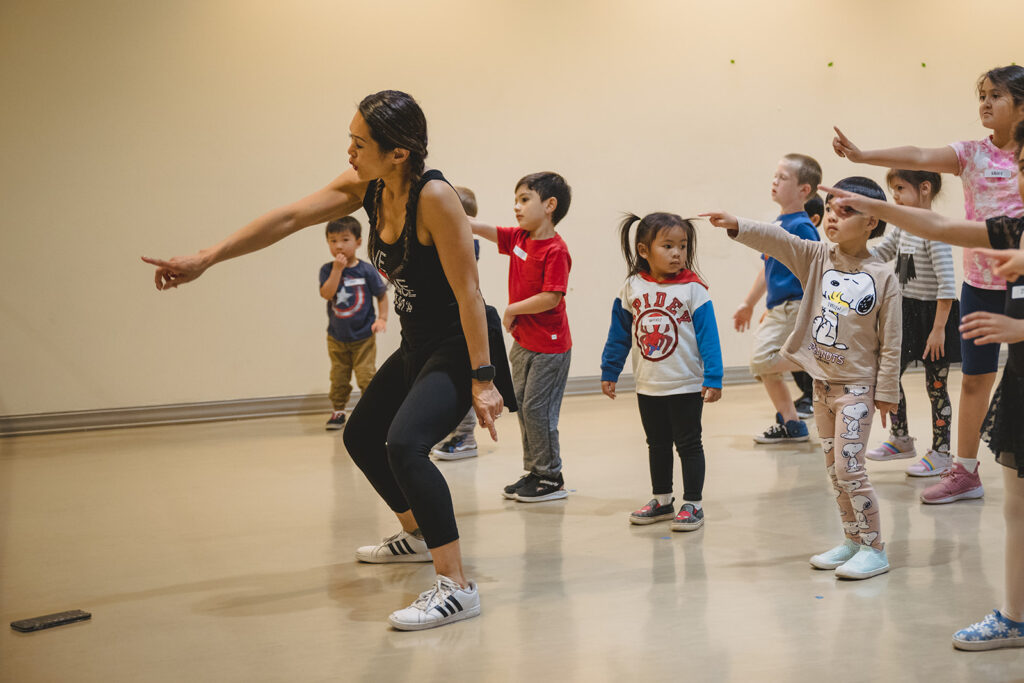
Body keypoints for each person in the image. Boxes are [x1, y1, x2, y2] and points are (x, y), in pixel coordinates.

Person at [142, 90, 514, 631]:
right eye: (350, 139)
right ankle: (416, 534)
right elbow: (289, 216)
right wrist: (207, 257)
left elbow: (470, 294)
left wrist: (482, 379)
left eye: (359, 143)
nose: (349, 152)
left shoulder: (436, 198)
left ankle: (457, 586)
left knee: (405, 445)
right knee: (362, 436)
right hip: (418, 343)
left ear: (399, 153)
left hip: (459, 344)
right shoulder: (369, 187)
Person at [822, 140, 1024, 645]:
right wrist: (871, 206)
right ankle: (1014, 617)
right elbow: (938, 226)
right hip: (1021, 383)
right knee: (1016, 506)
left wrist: (1018, 330)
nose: (1014, 180)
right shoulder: (1012, 229)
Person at [833, 65, 1024, 504]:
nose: (985, 103)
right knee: (975, 379)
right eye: (982, 95)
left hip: (1021, 281)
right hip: (981, 284)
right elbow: (918, 155)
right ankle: (966, 471)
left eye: (996, 96)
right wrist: (862, 157)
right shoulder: (971, 153)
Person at [702, 176, 901, 580]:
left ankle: (875, 549)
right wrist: (736, 223)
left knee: (851, 470)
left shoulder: (883, 277)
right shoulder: (816, 256)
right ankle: (852, 541)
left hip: (857, 389)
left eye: (847, 212)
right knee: (833, 471)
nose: (832, 217)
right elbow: (777, 239)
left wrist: (887, 394)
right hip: (822, 386)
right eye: (830, 209)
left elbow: (892, 342)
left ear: (872, 222)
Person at [600, 212, 722, 531]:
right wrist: (610, 370)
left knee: (689, 444)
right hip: (648, 384)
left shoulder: (694, 290)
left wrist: (714, 377)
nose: (677, 253)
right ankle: (663, 500)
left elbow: (710, 337)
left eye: (682, 246)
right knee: (656, 443)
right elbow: (619, 333)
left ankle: (692, 503)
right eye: (667, 246)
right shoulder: (632, 287)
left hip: (685, 384)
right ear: (644, 250)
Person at [470, 172, 574, 502]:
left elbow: (551, 296)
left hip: (550, 348)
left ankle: (550, 475)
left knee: (538, 410)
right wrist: (463, 220)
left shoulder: (555, 250)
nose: (516, 207)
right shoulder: (519, 239)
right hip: (524, 344)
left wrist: (512, 309)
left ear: (549, 205)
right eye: (515, 200)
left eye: (524, 199)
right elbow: (490, 231)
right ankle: (535, 470)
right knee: (527, 409)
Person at [863, 170, 962, 488]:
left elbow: (947, 285)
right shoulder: (904, 225)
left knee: (936, 386)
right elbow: (882, 253)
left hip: (935, 316)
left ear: (924, 189)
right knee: (886, 373)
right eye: (893, 190)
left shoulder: (935, 231)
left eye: (900, 189)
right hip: (906, 311)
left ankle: (942, 452)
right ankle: (901, 437)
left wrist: (938, 330)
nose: (895, 197)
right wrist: (853, 251)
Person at [733, 154, 821, 444]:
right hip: (779, 308)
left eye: (783, 177)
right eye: (775, 175)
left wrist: (811, 310)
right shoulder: (778, 223)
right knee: (766, 369)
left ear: (803, 190)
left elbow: (815, 269)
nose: (775, 181)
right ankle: (792, 425)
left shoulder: (802, 225)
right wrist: (749, 303)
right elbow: (766, 268)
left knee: (761, 361)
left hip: (795, 307)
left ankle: (825, 364)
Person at [319, 216, 388, 430]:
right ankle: (338, 411)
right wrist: (337, 271)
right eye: (333, 240)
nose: (339, 245)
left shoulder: (366, 270)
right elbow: (326, 293)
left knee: (367, 375)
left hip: (364, 336)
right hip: (337, 337)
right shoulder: (327, 270)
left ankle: (371, 413)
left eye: (345, 239)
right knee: (338, 377)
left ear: (358, 242)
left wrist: (382, 318)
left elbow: (382, 294)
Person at [431, 186, 483, 460]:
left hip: (459, 321)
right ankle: (453, 433)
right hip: (444, 322)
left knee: (461, 380)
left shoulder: (466, 243)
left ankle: (465, 436)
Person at [791, 194, 825, 417]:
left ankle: (812, 396)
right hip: (791, 304)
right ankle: (807, 394)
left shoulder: (807, 236)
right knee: (792, 352)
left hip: (807, 304)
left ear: (813, 219)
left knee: (809, 352)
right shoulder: (792, 238)